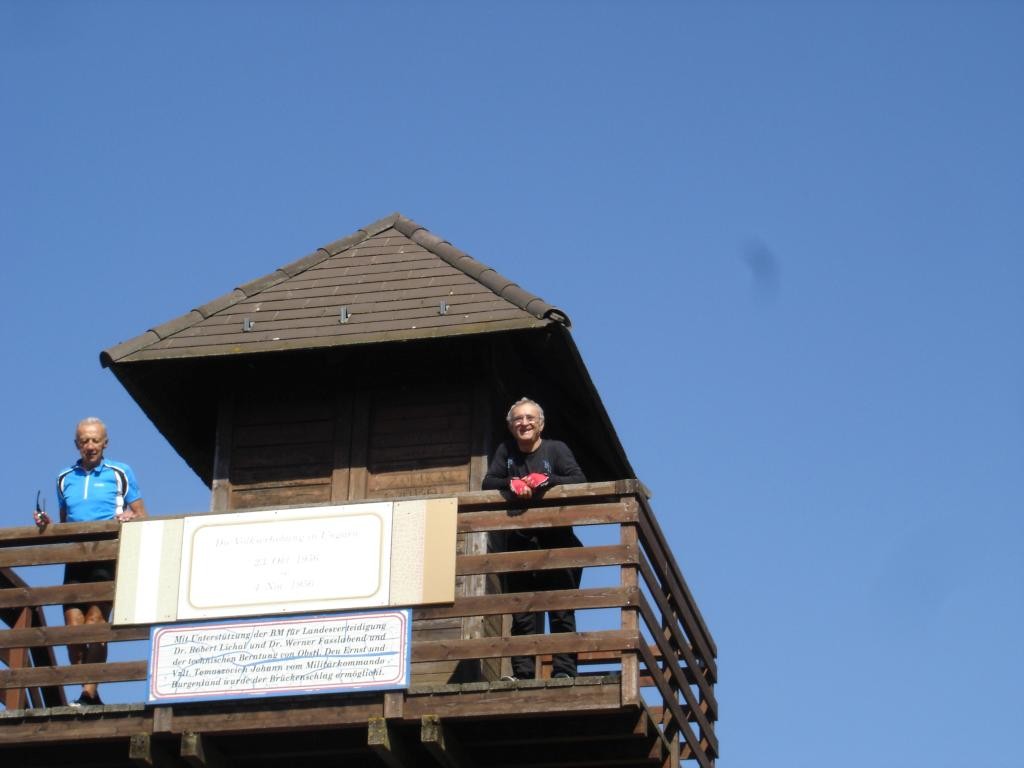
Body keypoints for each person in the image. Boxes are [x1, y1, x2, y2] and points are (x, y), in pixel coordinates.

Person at [482, 398, 586, 680]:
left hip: (558, 541)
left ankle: (564, 671)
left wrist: (547, 480)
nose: (524, 423)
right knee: (522, 612)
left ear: (540, 424)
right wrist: (511, 483)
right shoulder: (506, 451)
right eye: (518, 419)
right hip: (520, 542)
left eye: (530, 418)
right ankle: (523, 674)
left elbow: (578, 479)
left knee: (561, 610)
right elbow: (489, 482)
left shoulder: (556, 449)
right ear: (510, 426)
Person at [47, 417, 147, 706]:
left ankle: (88, 694)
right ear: (76, 444)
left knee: (95, 622)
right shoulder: (64, 477)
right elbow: (65, 523)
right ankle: (88, 692)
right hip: (75, 557)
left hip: (108, 553)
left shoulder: (120, 472)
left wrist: (130, 516)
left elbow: (141, 513)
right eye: (84, 441)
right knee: (73, 630)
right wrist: (46, 524)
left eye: (95, 440)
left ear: (105, 443)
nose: (90, 446)